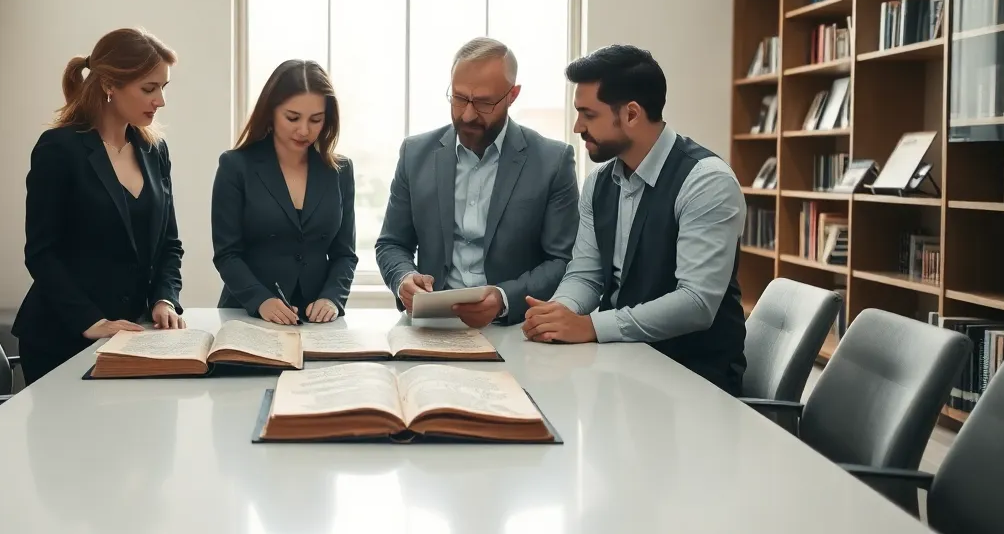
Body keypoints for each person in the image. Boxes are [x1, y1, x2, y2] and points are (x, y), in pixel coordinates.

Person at [523, 44, 748, 400]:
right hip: (621, 372)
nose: (577, 126)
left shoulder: (707, 181)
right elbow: (586, 275)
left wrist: (590, 326)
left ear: (631, 114)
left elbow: (695, 303)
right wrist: (557, 314)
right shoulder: (598, 183)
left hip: (695, 384)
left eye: (588, 114)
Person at [12, 27, 186, 388]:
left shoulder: (155, 152)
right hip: (64, 337)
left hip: (131, 335)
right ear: (110, 84)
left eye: (162, 89)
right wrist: (91, 321)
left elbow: (169, 244)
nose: (160, 101)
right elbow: (42, 253)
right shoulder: (59, 149)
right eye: (149, 89)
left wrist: (164, 301)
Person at [375, 37, 579, 328]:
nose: (468, 114)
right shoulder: (415, 154)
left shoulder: (553, 161)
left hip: (513, 330)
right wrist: (403, 278)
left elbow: (563, 260)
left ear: (512, 95)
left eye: (484, 102)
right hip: (430, 328)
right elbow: (392, 243)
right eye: (459, 98)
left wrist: (503, 299)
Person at [212, 59, 356, 325]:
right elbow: (227, 254)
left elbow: (345, 253)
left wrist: (332, 298)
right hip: (249, 314)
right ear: (271, 112)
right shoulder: (235, 166)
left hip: (317, 320)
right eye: (292, 118)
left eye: (316, 120)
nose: (304, 130)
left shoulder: (340, 170)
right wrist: (261, 300)